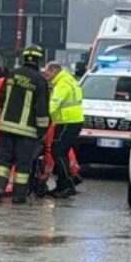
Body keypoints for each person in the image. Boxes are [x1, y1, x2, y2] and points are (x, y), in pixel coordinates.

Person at [0, 44, 50, 204]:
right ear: (39, 60)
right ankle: (18, 196)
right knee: (23, 165)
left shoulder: (11, 75)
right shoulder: (40, 81)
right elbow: (42, 109)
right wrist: (42, 131)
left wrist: (3, 118)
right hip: (27, 132)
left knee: (3, 161)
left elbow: (1, 99)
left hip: (6, 128)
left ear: (24, 58)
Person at [45, 61, 84, 199]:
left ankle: (66, 185)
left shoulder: (62, 84)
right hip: (72, 121)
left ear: (54, 71)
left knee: (58, 152)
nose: (46, 75)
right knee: (62, 152)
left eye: (47, 72)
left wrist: (40, 115)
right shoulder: (68, 80)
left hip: (67, 121)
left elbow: (53, 105)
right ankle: (63, 185)